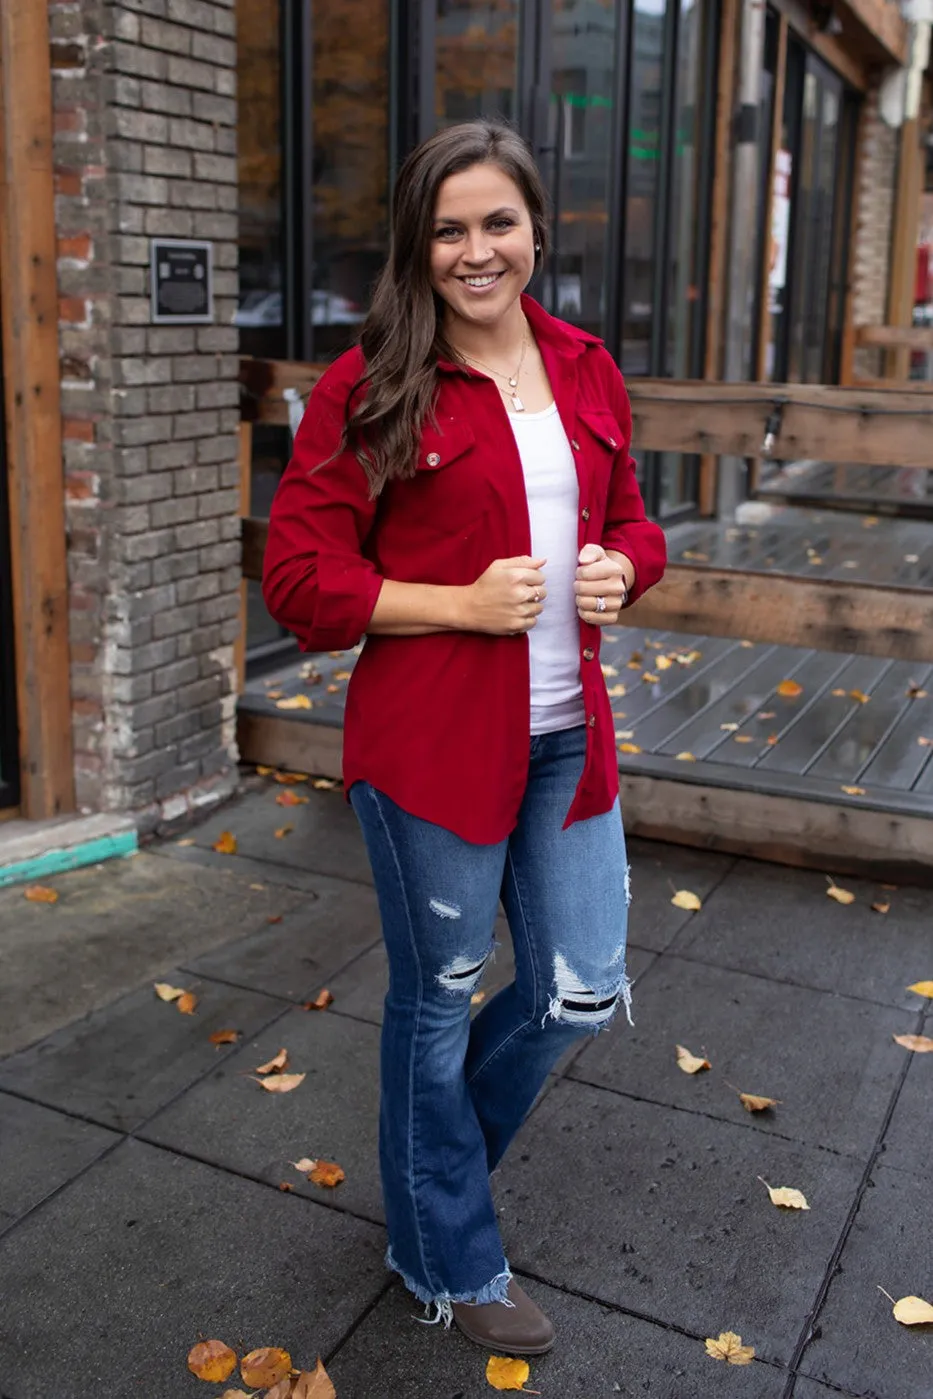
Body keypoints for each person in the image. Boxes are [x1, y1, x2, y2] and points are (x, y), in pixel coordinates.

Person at [263, 120, 667, 1356]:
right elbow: (295, 575)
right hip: (434, 746)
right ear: (417, 244)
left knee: (579, 986)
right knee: (437, 1004)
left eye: (498, 223)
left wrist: (618, 568)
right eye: (449, 229)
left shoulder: (588, 367)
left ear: (538, 229)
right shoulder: (374, 382)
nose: (476, 250)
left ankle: (428, 1169)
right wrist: (456, 602)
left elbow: (640, 528)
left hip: (567, 740)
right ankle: (448, 1241)